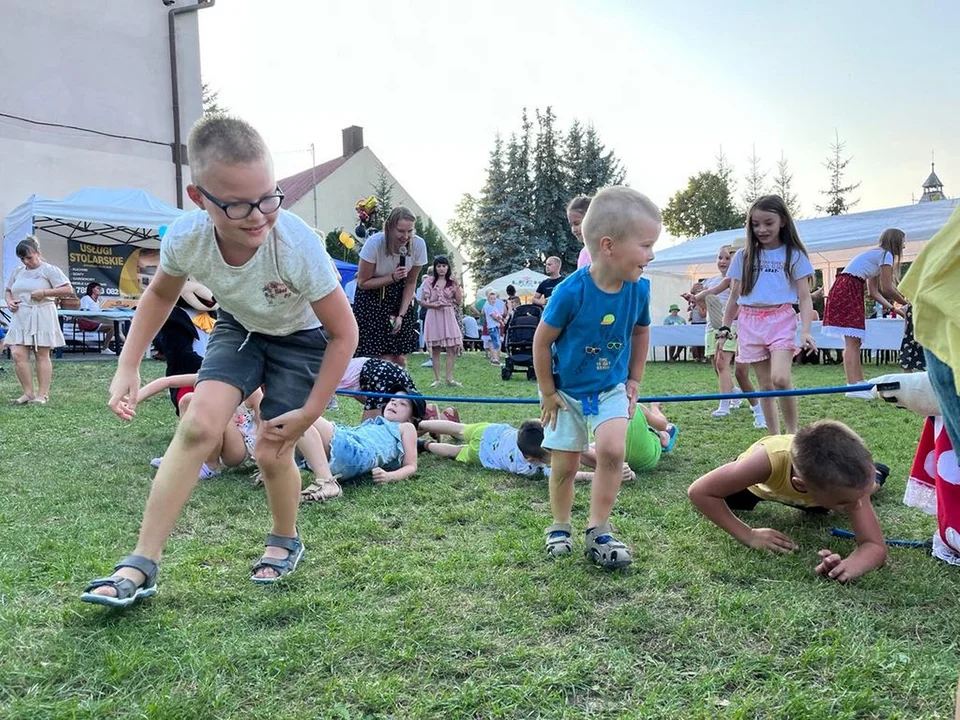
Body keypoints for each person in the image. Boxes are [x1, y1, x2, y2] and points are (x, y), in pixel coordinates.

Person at [81, 114, 357, 608]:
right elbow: (160, 296)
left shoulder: (297, 246)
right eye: (236, 204)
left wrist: (311, 413)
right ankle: (142, 562)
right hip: (240, 329)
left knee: (272, 446)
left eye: (269, 197)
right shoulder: (186, 238)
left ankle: (284, 538)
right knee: (196, 426)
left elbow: (344, 332)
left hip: (304, 338)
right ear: (199, 198)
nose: (258, 216)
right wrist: (128, 365)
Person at [533, 185, 657, 569]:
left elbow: (640, 331)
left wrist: (634, 379)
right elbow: (541, 342)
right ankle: (559, 526)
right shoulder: (570, 292)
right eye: (646, 245)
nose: (651, 256)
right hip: (566, 393)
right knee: (566, 465)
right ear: (608, 246)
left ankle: (598, 529)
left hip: (610, 388)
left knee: (613, 452)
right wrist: (548, 392)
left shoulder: (639, 289)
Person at [688, 419, 888, 583]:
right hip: (760, 486)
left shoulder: (851, 483)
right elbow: (700, 492)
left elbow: (874, 545)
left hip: (819, 492)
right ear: (801, 486)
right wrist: (748, 535)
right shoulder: (766, 462)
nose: (857, 506)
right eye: (845, 502)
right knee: (726, 498)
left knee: (863, 490)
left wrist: (851, 565)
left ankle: (877, 475)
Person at [717, 195, 816, 436]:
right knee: (765, 386)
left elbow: (804, 296)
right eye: (755, 224)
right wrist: (724, 328)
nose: (762, 229)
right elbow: (734, 296)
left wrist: (805, 331)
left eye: (768, 223)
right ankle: (775, 439)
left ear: (782, 221)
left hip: (781, 319)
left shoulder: (794, 255)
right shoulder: (743, 256)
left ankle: (793, 435)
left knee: (781, 378)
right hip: (749, 322)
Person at [822, 228, 908, 398]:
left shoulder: (877, 255)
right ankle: (853, 386)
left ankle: (858, 382)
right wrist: (907, 302)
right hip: (848, 288)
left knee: (854, 341)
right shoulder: (886, 255)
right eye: (903, 241)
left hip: (846, 287)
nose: (904, 245)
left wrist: (894, 309)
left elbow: (874, 292)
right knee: (852, 341)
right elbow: (888, 288)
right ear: (896, 241)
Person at [297, 391, 423, 503]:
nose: (394, 403)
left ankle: (327, 482)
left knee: (298, 414)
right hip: (347, 445)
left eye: (403, 404)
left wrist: (390, 476)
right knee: (289, 425)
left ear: (412, 419)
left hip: (356, 450)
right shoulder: (376, 424)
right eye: (392, 400)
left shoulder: (406, 427)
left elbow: (411, 466)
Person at [688, 245, 765, 427]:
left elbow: (740, 306)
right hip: (714, 328)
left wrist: (731, 319)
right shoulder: (713, 281)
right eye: (720, 257)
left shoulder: (744, 280)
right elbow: (706, 304)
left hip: (736, 328)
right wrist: (694, 298)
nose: (723, 261)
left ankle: (726, 404)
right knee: (718, 365)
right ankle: (735, 393)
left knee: (728, 366)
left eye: (727, 258)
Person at [419, 417, 635, 482]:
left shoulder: (530, 436)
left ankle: (421, 424)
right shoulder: (531, 468)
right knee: (454, 451)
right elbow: (572, 475)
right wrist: (597, 475)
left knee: (460, 429)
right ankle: (426, 445)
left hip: (491, 431)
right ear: (532, 459)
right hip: (483, 455)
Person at [137, 373, 260, 480]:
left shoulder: (251, 388)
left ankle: (210, 466)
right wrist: (132, 400)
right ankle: (183, 457)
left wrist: (267, 463)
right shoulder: (215, 376)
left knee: (215, 407)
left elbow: (265, 424)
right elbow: (168, 381)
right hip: (221, 432)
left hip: (238, 450)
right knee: (188, 399)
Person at [352, 207, 427, 367]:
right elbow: (363, 283)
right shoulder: (374, 244)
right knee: (380, 356)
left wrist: (401, 315)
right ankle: (375, 389)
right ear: (390, 228)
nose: (405, 236)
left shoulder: (418, 245)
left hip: (398, 299)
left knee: (398, 357)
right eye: (400, 231)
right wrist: (392, 277)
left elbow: (411, 282)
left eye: (410, 231)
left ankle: (399, 389)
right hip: (372, 299)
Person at [3, 236, 74, 405]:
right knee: (17, 353)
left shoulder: (50, 270)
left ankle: (42, 395)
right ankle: (28, 393)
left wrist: (44, 292)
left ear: (38, 253)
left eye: (29, 257)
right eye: (22, 259)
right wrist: (9, 301)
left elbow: (67, 289)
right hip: (21, 315)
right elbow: (8, 290)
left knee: (41, 354)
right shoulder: (17, 271)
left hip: (42, 314)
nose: (26, 262)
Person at [420, 256, 464, 387]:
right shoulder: (429, 281)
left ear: (448, 267)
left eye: (444, 266)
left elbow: (459, 301)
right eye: (439, 266)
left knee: (452, 348)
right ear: (435, 267)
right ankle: (437, 379)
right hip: (434, 314)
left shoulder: (452, 282)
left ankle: (449, 379)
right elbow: (422, 301)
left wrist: (457, 286)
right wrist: (433, 305)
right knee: (436, 349)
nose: (441, 269)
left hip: (448, 313)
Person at [336, 356, 420, 422]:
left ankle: (426, 421)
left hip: (379, 373)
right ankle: (427, 420)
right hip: (379, 370)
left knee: (368, 428)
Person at [78, 281, 124, 354]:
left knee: (115, 324)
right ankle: (106, 348)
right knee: (113, 326)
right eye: (98, 288)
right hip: (87, 322)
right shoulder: (86, 298)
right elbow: (84, 312)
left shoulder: (98, 301)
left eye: (100, 289)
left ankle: (126, 344)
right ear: (93, 290)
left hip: (97, 321)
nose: (100, 290)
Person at [567, 196, 592, 269]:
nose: (574, 229)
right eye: (571, 225)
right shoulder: (584, 253)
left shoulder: (606, 250)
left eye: (577, 223)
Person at [482, 289, 506, 366]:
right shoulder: (489, 307)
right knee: (495, 343)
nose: (493, 300)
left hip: (495, 326)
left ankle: (495, 358)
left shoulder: (493, 306)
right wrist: (500, 320)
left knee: (496, 343)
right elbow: (494, 317)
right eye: (491, 299)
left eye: (494, 299)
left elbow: (498, 315)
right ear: (488, 299)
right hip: (492, 327)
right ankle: (495, 359)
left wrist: (500, 319)